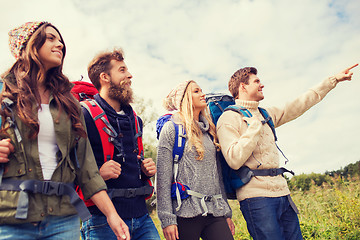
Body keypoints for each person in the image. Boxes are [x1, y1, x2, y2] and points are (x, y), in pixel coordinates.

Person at [0, 21, 130, 240]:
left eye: (60, 40)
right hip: (12, 218)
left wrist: (112, 215)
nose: (59, 44)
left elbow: (86, 167)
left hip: (62, 218)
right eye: (50, 38)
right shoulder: (4, 93)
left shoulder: (69, 102)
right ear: (29, 45)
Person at [216, 64, 358, 240]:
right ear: (243, 87)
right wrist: (254, 128)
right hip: (257, 199)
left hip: (283, 194)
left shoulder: (266, 113)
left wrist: (333, 80)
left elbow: (301, 103)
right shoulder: (228, 118)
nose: (262, 85)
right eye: (257, 81)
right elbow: (234, 159)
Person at [80, 48, 160, 240]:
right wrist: (98, 174)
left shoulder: (135, 119)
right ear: (105, 77)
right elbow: (72, 170)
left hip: (142, 216)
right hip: (101, 220)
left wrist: (145, 169)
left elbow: (132, 161)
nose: (130, 75)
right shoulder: (84, 116)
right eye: (122, 70)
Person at [157, 80, 235, 240]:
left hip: (215, 211)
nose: (203, 94)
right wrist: (166, 219)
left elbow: (217, 176)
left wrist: (226, 210)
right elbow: (163, 177)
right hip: (184, 213)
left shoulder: (210, 132)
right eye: (196, 91)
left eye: (201, 91)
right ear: (184, 99)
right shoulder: (171, 129)